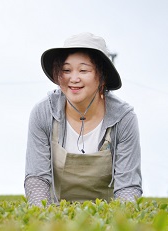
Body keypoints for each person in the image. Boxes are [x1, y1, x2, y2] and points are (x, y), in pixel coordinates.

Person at [24, 32, 142, 206]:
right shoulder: (43, 112)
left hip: (107, 220)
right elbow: (37, 179)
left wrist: (119, 221)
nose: (74, 78)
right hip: (56, 216)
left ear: (101, 76)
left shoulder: (124, 118)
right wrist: (44, 218)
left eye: (83, 70)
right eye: (66, 70)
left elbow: (128, 186)